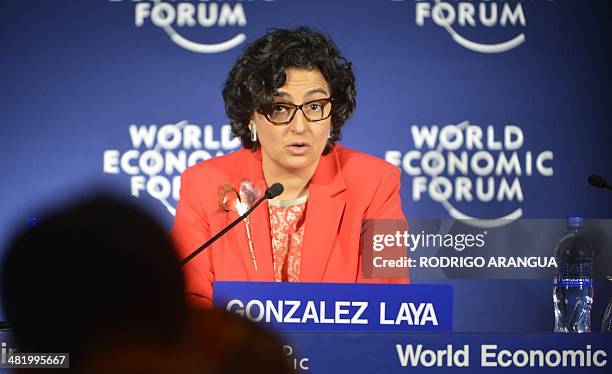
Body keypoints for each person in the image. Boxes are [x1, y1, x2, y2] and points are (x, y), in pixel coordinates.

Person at [171, 27, 409, 309]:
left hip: (343, 352)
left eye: (315, 105)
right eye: (280, 107)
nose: (300, 126)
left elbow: (389, 301)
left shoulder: (377, 183)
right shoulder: (204, 184)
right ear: (251, 117)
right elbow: (189, 298)